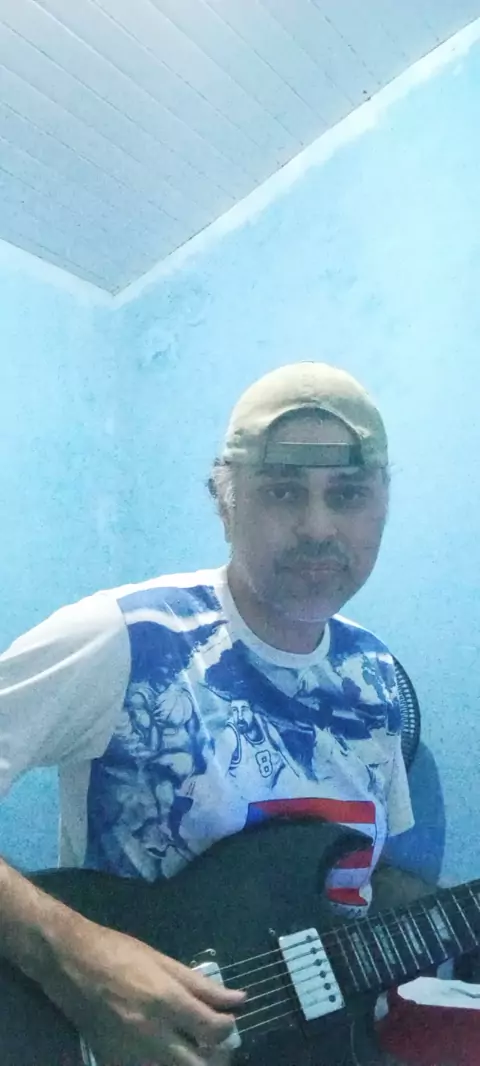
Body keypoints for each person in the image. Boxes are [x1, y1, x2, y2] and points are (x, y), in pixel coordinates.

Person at [0, 362, 414, 1065]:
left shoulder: (376, 676)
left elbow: (367, 881)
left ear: (383, 506)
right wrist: (72, 955)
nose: (318, 526)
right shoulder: (126, 637)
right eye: (282, 490)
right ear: (225, 501)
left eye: (348, 494)